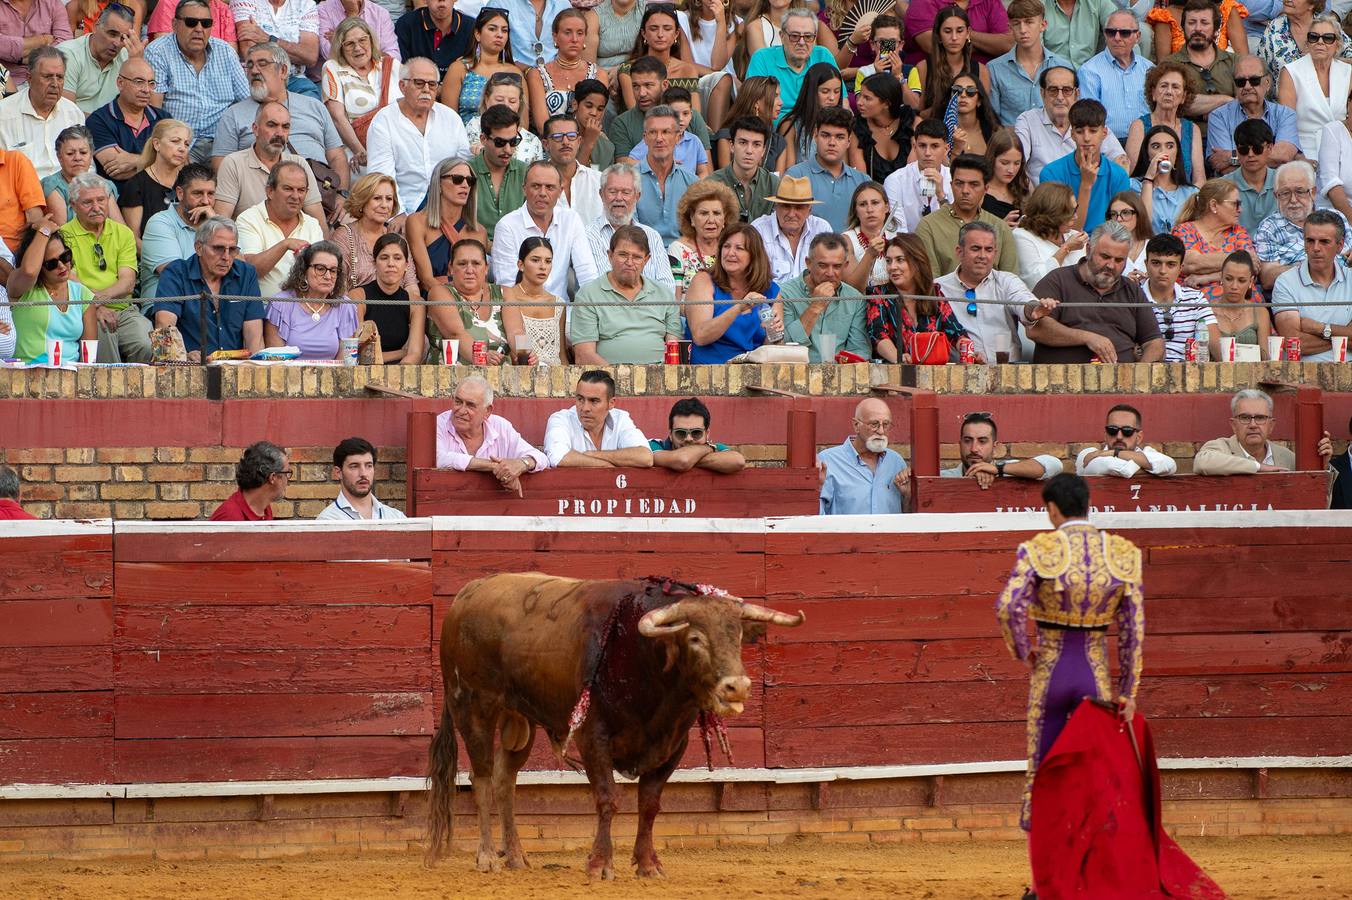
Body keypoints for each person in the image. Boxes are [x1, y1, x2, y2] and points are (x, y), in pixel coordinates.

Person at [996, 472, 1144, 828]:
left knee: (1042, 772)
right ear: (1087, 505)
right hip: (1093, 675)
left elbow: (1008, 607)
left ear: (1051, 509)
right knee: (1093, 776)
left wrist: (1024, 651)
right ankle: (1088, 875)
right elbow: (1133, 629)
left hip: (1051, 670)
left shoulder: (1039, 550)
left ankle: (1043, 881)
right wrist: (1128, 691)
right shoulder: (1122, 553)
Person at [213, 43, 349, 195]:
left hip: (319, 194)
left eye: (262, 64)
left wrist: (341, 195)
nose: (254, 71)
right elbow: (221, 165)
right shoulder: (233, 114)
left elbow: (337, 156)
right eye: (249, 65)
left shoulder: (314, 106)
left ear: (283, 70)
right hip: (261, 198)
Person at [1030, 221, 1166, 363]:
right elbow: (1036, 328)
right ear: (1088, 250)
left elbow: (1154, 342)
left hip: (1122, 380)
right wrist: (1087, 338)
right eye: (1105, 257)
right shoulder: (1058, 280)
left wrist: (1140, 375)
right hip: (1061, 381)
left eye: (1119, 260)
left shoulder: (1131, 290)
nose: (1111, 265)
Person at [58, 173, 150, 363]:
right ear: (73, 205)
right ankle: (110, 393)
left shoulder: (123, 233)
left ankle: (145, 392)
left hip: (124, 309)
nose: (96, 208)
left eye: (101, 200)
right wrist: (93, 308)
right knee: (103, 336)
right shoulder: (63, 236)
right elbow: (70, 282)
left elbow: (127, 283)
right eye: (88, 202)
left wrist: (96, 301)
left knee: (146, 342)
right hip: (81, 310)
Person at [143, 0, 251, 161]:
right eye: (191, 22)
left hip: (223, 142)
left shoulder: (225, 52)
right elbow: (154, 111)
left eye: (206, 23)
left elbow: (246, 102)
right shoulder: (158, 51)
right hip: (181, 144)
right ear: (174, 24)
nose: (199, 29)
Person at [365, 57, 470, 212]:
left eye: (432, 84)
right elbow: (381, 178)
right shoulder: (384, 121)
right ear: (402, 86)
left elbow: (464, 165)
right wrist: (397, 214)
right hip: (405, 209)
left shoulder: (451, 119)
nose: (426, 90)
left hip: (447, 209)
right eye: (419, 83)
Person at [940, 222, 1056, 363]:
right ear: (959, 252)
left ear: (995, 254)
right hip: (958, 376)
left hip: (1007, 375)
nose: (982, 255)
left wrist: (1033, 309)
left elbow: (1023, 301)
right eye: (975, 248)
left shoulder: (1007, 281)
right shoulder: (939, 288)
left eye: (988, 250)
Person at [153, 215, 265, 359]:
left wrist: (254, 372)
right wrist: (183, 357)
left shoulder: (246, 274)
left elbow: (254, 338)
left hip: (235, 368)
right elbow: (163, 327)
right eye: (218, 248)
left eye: (232, 250)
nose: (226, 257)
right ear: (198, 248)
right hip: (189, 369)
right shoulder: (176, 273)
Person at [570, 225, 681, 364]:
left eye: (637, 257)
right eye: (623, 255)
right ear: (610, 255)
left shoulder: (664, 295)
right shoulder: (588, 295)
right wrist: (619, 379)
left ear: (646, 260)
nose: (629, 262)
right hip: (608, 381)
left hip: (658, 379)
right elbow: (584, 355)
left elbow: (674, 349)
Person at [491, 160, 598, 302]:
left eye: (550, 187)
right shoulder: (507, 226)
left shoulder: (571, 219)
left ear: (560, 192)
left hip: (562, 312)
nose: (542, 193)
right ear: (524, 189)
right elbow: (507, 285)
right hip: (521, 310)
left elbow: (587, 275)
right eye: (536, 186)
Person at [213, 101, 325, 223]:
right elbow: (222, 223)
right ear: (255, 129)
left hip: (295, 240)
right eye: (272, 125)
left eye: (285, 127)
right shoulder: (233, 164)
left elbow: (318, 222)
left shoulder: (299, 164)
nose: (279, 133)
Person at [686, 223, 783, 364]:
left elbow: (773, 348)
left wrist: (775, 334)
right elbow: (700, 336)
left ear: (754, 255)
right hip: (709, 371)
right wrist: (738, 308)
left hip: (753, 371)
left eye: (739, 248)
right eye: (726, 246)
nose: (730, 253)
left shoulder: (771, 290)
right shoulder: (703, 281)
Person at [1014, 66, 1128, 185]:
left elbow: (1121, 161)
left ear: (1077, 93)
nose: (1060, 97)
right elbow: (1017, 161)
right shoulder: (1028, 120)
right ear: (1042, 93)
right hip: (1042, 197)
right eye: (1053, 90)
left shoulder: (1090, 121)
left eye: (1067, 90)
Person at [916, 153, 1021, 279]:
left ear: (986, 189)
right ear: (951, 185)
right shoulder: (929, 226)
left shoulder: (1000, 228)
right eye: (959, 183)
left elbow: (1011, 281)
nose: (965, 190)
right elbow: (929, 283)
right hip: (944, 297)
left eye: (974, 184)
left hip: (991, 298)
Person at [436, 376, 549, 492]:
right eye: (458, 402)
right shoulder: (439, 424)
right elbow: (437, 458)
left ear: (487, 411)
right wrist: (495, 466)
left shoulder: (500, 427)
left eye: (470, 405)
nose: (461, 410)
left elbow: (541, 458)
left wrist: (521, 464)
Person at [5, 224, 98, 364]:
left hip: (69, 378)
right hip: (26, 375)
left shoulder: (83, 294)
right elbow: (29, 271)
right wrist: (44, 230)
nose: (61, 266)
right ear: (40, 267)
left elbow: (89, 357)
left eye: (65, 256)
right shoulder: (21, 289)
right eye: (51, 264)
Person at [1254, 160, 1352, 290]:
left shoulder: (1335, 217)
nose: (1293, 200)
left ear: (1313, 192)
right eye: (1285, 193)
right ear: (1276, 196)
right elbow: (1267, 278)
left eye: (1299, 191)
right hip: (1297, 295)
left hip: (1343, 290)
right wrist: (1313, 265)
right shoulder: (1269, 228)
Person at [237, 160, 326, 298]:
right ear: (270, 191)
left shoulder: (312, 225)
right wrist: (285, 244)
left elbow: (321, 273)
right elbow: (250, 270)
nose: (296, 196)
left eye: (301, 190)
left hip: (304, 309)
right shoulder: (248, 219)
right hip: (262, 310)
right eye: (288, 189)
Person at [583, 163, 676, 294]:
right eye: (612, 192)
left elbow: (667, 287)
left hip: (650, 311)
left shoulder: (652, 236)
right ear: (601, 194)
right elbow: (593, 287)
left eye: (626, 192)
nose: (619, 198)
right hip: (607, 311)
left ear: (637, 196)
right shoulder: (587, 236)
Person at [1194, 388, 1334, 475]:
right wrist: (1258, 468)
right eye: (1245, 417)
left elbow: (1313, 494)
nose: (1253, 424)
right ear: (1233, 425)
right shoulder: (1221, 447)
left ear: (1271, 425)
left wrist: (1322, 464)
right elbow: (1202, 463)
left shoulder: (1287, 458)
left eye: (1260, 418)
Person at [1041, 99, 1133, 233]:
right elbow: (1068, 232)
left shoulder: (1118, 176)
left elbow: (1120, 230)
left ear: (1104, 133)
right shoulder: (1051, 174)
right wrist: (1086, 185)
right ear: (1072, 134)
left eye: (1093, 131)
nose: (1087, 138)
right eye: (1079, 131)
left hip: (1104, 246)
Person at [322, 17, 400, 173]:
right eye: (350, 44)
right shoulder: (333, 67)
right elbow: (337, 118)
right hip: (357, 151)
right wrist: (360, 151)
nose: (358, 48)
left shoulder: (391, 65)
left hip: (397, 147)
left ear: (371, 41)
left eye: (363, 40)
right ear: (340, 48)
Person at [778, 232, 870, 362]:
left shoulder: (854, 299)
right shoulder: (784, 293)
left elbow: (860, 350)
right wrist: (815, 306)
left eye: (837, 266)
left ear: (846, 266)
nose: (830, 273)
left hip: (839, 376)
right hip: (795, 375)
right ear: (808, 263)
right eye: (823, 265)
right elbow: (783, 347)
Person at [1272, 210, 1352, 359]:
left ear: (1340, 245)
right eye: (1310, 240)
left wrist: (1320, 328)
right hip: (1304, 375)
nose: (1316, 248)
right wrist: (1343, 335)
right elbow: (1294, 343)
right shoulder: (1286, 282)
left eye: (1324, 241)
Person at [406, 155, 488, 298]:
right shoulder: (417, 222)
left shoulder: (479, 231)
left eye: (470, 181)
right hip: (433, 301)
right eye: (457, 179)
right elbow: (426, 280)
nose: (465, 185)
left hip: (470, 304)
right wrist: (455, 302)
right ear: (438, 184)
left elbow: (480, 281)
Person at [0, 47, 87, 180]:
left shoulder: (73, 113)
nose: (55, 84)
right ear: (29, 78)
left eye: (60, 77)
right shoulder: (4, 114)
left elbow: (86, 165)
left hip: (68, 191)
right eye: (47, 77)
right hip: (24, 193)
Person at [264, 241, 361, 359]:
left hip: (333, 377)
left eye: (333, 271)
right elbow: (276, 364)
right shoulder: (280, 304)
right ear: (304, 271)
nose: (328, 276)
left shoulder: (345, 306)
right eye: (320, 269)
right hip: (288, 376)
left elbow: (346, 363)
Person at [745, 7, 840, 128]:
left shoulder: (823, 55)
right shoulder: (762, 58)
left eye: (808, 37)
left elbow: (842, 101)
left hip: (818, 129)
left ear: (815, 38)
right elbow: (753, 107)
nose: (801, 42)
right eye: (794, 36)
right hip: (774, 132)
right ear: (782, 36)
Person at [1207, 54, 1302, 174]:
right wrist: (1267, 158)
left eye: (1254, 80)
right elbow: (1224, 168)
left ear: (1267, 83)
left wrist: (1230, 157)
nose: (1247, 86)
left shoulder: (1285, 114)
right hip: (1235, 189)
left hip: (1275, 189)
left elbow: (1283, 156)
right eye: (1240, 82)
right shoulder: (1218, 117)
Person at [609, 56, 716, 162]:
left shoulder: (691, 117)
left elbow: (707, 170)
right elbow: (624, 168)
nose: (641, 93)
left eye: (648, 85)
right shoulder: (622, 124)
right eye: (636, 86)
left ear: (664, 85)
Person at [1277, 13, 1352, 160]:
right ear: (1308, 42)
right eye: (1314, 37)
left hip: (1344, 150)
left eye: (1328, 38)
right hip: (1305, 151)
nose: (1320, 42)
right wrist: (1299, 156)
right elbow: (1287, 125)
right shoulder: (1291, 72)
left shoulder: (1348, 72)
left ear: (1337, 44)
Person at [543, 370, 654, 469]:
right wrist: (606, 465)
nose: (585, 408)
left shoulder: (621, 419)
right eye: (580, 399)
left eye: (594, 401)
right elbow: (558, 457)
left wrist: (592, 455)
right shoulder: (561, 419)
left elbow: (645, 457)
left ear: (611, 403)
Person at [988, 0, 1073, 127]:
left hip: (1053, 142)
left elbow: (1071, 115)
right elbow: (993, 121)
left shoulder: (1063, 67)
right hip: (1013, 144)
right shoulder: (994, 69)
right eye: (1017, 23)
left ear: (1043, 25)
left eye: (1029, 22)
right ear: (1010, 27)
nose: (1023, 30)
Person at [1172, 177, 1258, 304]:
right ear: (1213, 205)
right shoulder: (1184, 230)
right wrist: (1240, 259)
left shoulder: (1238, 231)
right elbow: (1191, 263)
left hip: (1241, 300)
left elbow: (1251, 271)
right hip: (1197, 304)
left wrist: (1206, 277)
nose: (1240, 209)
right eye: (1235, 204)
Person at [818, 397, 909, 515]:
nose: (881, 431)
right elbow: (814, 519)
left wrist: (907, 496)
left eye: (886, 424)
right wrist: (817, 489)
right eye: (874, 424)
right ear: (856, 425)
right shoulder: (828, 461)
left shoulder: (896, 462)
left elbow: (907, 519)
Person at [784, 105, 869, 230]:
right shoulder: (795, 176)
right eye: (825, 135)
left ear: (849, 141)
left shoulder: (863, 181)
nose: (832, 143)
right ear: (815, 135)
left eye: (840, 137)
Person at [331, 172, 416, 294]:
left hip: (396, 309)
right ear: (362, 201)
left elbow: (411, 286)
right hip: (356, 309)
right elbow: (339, 289)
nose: (384, 205)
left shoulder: (398, 239)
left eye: (389, 199)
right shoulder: (344, 236)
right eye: (377, 198)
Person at [88, 57, 167, 185]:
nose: (146, 89)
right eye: (139, 82)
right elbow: (117, 172)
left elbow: (179, 163)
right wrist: (161, 163)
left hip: (162, 195)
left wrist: (135, 160)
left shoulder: (163, 119)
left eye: (151, 83)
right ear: (120, 83)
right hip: (120, 199)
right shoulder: (99, 120)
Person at [142, 164, 216, 300]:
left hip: (210, 307)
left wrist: (215, 225)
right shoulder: (160, 223)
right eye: (198, 193)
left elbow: (242, 271)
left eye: (210, 194)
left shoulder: (217, 223)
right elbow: (174, 275)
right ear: (180, 193)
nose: (206, 201)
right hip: (167, 306)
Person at [1079, 10, 1154, 143]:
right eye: (1111, 32)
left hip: (1147, 142)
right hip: (1107, 144)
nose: (1117, 38)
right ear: (1105, 34)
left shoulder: (1149, 69)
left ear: (1138, 36)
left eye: (1124, 33)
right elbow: (1090, 120)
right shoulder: (1089, 70)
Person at [526, 9, 605, 134]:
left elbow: (596, 120)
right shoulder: (536, 74)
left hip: (588, 141)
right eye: (567, 32)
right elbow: (542, 126)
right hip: (549, 144)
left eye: (580, 33)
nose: (574, 39)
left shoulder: (599, 74)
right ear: (555, 36)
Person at [1130, 63, 1209, 187]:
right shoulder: (1138, 126)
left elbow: (1199, 179)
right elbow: (1133, 176)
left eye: (1175, 87)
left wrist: (1188, 202)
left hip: (1185, 201)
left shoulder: (1192, 130)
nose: (1169, 92)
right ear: (1153, 93)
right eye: (1163, 86)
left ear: (1183, 97)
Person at [1140, 232, 1215, 361]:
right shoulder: (1133, 298)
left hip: (1190, 375)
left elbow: (1214, 343)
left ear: (1181, 268)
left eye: (1171, 264)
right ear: (1146, 264)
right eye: (1156, 263)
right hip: (1145, 373)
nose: (1163, 271)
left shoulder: (1196, 299)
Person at [350, 233, 424, 364]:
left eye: (397, 258)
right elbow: (357, 354)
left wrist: (397, 378)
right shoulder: (357, 296)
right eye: (384, 258)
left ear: (406, 265)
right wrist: (402, 352)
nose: (391, 264)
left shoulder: (416, 303)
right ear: (374, 263)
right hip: (361, 371)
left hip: (400, 371)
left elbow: (415, 355)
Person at [632, 105, 701, 244]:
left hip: (682, 256)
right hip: (642, 255)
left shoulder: (692, 183)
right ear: (645, 138)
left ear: (677, 138)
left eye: (666, 132)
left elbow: (698, 231)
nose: (659, 138)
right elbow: (630, 232)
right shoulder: (629, 179)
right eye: (653, 132)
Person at [751, 174, 833, 284]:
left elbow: (830, 274)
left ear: (809, 210)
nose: (791, 214)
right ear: (776, 206)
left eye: (799, 207)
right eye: (786, 206)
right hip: (770, 300)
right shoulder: (758, 230)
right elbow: (753, 280)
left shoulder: (822, 229)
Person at [943, 411, 1063, 484]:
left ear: (994, 447)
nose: (974, 448)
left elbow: (1055, 465)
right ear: (960, 445)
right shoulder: (942, 478)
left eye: (982, 441)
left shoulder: (1010, 472)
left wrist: (998, 470)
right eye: (968, 441)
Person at [58, 3, 136, 114]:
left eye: (123, 38)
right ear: (95, 26)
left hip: (111, 127)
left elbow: (137, 109)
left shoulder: (127, 58)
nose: (117, 43)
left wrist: (136, 63)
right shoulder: (68, 55)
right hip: (76, 129)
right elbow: (66, 113)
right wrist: (104, 125)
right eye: (112, 34)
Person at [439, 8, 515, 122]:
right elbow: (448, 120)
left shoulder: (514, 72)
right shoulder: (459, 69)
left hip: (506, 138)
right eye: (492, 29)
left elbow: (522, 123)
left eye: (504, 30)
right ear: (477, 34)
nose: (499, 35)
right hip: (465, 137)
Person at [121, 118, 193, 238]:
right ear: (157, 144)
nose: (182, 148)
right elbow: (133, 238)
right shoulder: (136, 185)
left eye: (186, 144)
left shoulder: (190, 181)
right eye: (175, 141)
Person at [41, 126, 125, 228]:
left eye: (83, 152)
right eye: (70, 153)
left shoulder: (104, 185)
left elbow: (121, 228)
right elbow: (62, 232)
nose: (77, 158)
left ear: (91, 155)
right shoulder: (52, 185)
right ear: (59, 157)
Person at [501, 236, 567, 366]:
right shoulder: (508, 298)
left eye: (548, 261)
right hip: (523, 374)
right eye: (535, 260)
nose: (543, 267)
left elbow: (561, 354)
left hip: (555, 376)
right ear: (521, 265)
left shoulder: (558, 304)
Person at [668, 179, 738, 300]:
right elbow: (675, 302)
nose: (711, 220)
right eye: (704, 213)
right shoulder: (678, 249)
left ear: (725, 219)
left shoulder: (732, 249)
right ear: (692, 218)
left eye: (716, 213)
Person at [467, 103, 528, 241]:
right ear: (483, 139)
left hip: (518, 250)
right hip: (476, 251)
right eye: (500, 142)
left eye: (513, 142)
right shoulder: (465, 172)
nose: (508, 149)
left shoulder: (526, 172)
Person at [1013, 182, 1088, 292]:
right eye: (1069, 212)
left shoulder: (1074, 236)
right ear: (1052, 213)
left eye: (1075, 209)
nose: (1075, 217)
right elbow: (1037, 282)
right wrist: (1066, 249)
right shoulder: (1021, 236)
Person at [882, 118, 953, 233]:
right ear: (914, 147)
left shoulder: (954, 179)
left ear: (946, 149)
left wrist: (940, 194)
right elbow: (897, 231)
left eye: (935, 146)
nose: (928, 153)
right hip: (907, 248)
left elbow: (956, 228)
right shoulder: (895, 181)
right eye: (922, 146)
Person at [624, 87, 712, 176]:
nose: (681, 119)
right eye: (676, 114)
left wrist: (695, 189)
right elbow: (629, 163)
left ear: (691, 115)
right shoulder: (656, 140)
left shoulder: (694, 141)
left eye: (685, 113)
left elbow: (703, 172)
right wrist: (655, 164)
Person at [1130, 124, 1200, 234]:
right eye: (1156, 146)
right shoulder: (1132, 186)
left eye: (1170, 146)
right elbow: (1141, 227)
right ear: (1147, 154)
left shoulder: (1191, 193)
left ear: (1177, 153)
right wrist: (1148, 180)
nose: (1163, 152)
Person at [462, 72, 544, 165]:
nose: (506, 105)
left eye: (512, 101)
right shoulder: (474, 125)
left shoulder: (533, 141)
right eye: (499, 100)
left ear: (520, 104)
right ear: (486, 99)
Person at [1076, 404, 1179, 478]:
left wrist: (1114, 453)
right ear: (1106, 435)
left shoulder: (1149, 453)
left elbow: (1170, 465)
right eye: (1112, 430)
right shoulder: (1087, 455)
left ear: (1139, 437)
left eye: (1127, 431)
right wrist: (1153, 470)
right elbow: (1123, 470)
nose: (1119, 436)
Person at [316, 437, 406, 520]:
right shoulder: (328, 521)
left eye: (369, 466)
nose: (363, 474)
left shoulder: (396, 518)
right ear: (338, 472)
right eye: (354, 466)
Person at [712, 115, 781, 223]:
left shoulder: (774, 184)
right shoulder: (712, 183)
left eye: (756, 144)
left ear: (763, 150)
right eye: (743, 143)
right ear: (732, 146)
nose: (749, 150)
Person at [649, 397, 747, 474]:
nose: (688, 438)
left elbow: (738, 461)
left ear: (707, 434)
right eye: (681, 433)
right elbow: (683, 460)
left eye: (696, 433)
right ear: (670, 434)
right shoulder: (653, 446)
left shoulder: (716, 448)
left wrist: (689, 460)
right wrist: (708, 448)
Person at [1216, 120, 1279, 237]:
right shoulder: (1222, 186)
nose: (1250, 154)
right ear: (1237, 151)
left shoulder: (1284, 182)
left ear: (1270, 148)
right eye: (1244, 149)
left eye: (1257, 149)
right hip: (1235, 250)